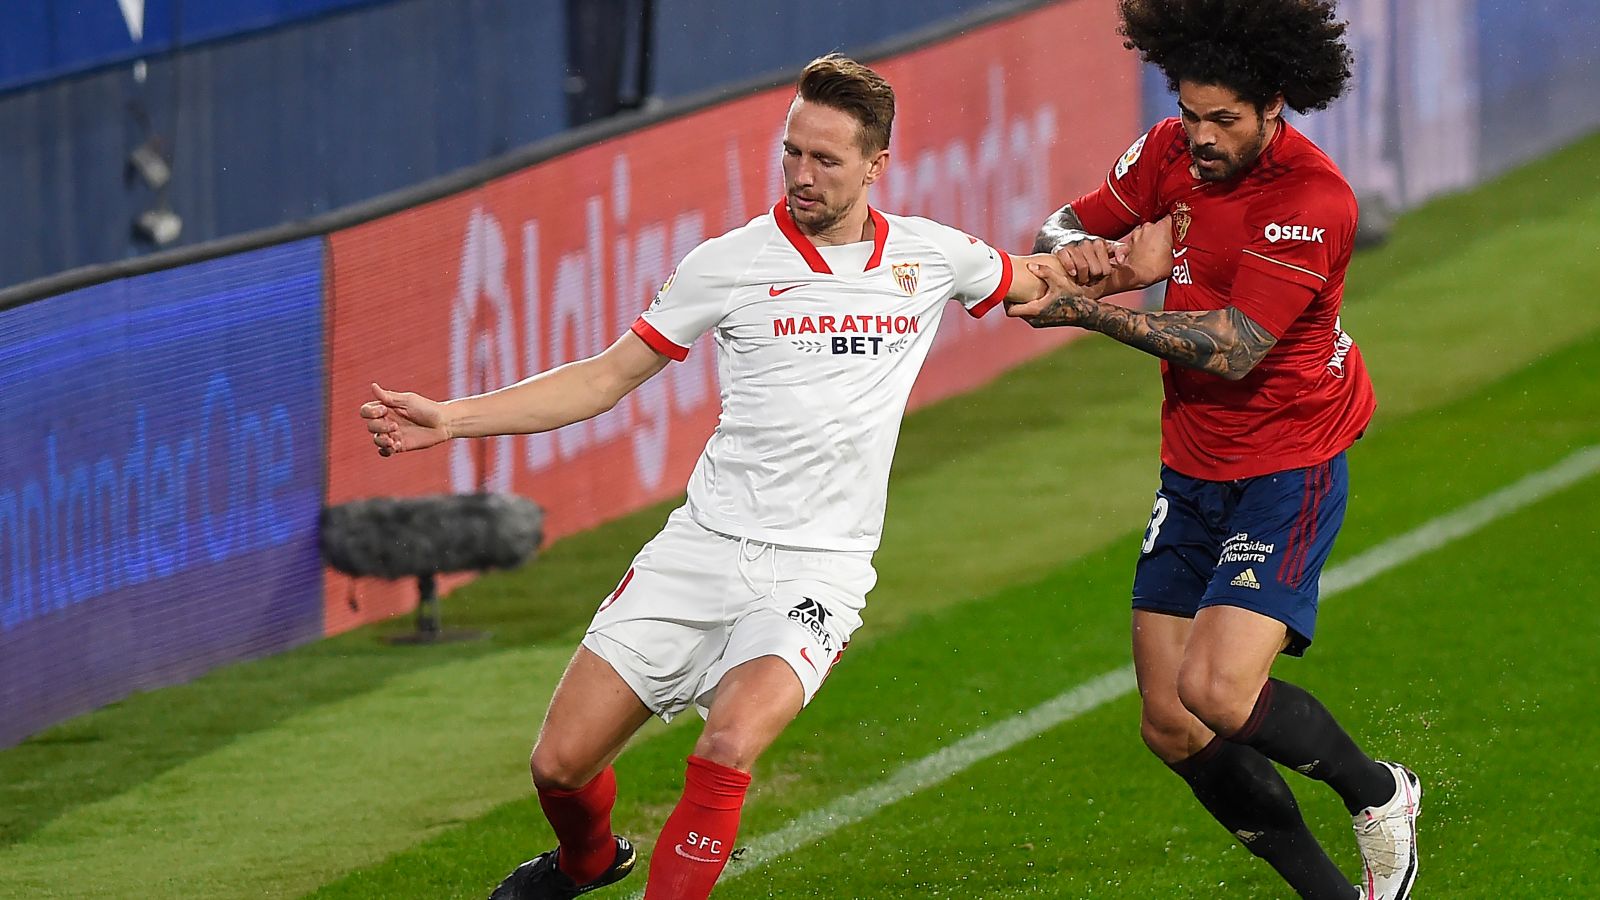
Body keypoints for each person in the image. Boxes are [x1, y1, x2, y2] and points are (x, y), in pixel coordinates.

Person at [363, 54, 1080, 900]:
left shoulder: (931, 258)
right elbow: (604, 379)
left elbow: (1036, 280)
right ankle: (588, 862)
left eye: (826, 160)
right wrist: (450, 418)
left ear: (876, 165)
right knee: (558, 767)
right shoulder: (728, 263)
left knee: (727, 747)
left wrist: (1117, 262)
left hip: (819, 569)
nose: (801, 176)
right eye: (792, 153)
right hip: (702, 550)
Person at [1004, 2, 1420, 898]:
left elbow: (1233, 350)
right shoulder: (1165, 150)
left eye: (1222, 120)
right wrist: (1099, 261)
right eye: (1189, 114)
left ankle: (1378, 792)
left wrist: (1092, 302)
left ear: (1275, 105)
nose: (1199, 138)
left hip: (1286, 460)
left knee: (1220, 694)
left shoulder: (1312, 202)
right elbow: (1057, 237)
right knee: (1172, 723)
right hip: (1192, 464)